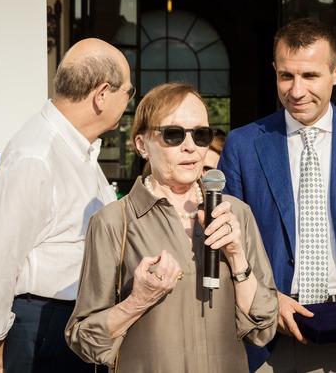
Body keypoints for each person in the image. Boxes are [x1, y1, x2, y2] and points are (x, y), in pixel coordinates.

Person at [218, 18, 336, 372]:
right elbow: (229, 240)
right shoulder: (243, 145)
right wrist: (266, 299)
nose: (296, 90)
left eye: (310, 76)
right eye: (286, 76)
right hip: (267, 334)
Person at [65, 83, 278, 373]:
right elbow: (84, 340)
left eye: (201, 135)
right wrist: (137, 301)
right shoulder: (113, 221)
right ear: (142, 145)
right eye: (173, 135)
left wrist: (237, 255)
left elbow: (264, 327)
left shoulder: (235, 213)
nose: (190, 146)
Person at [0, 38, 134, 373]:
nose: (129, 101)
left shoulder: (76, 149)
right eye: (129, 91)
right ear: (102, 94)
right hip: (44, 328)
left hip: (74, 324)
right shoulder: (37, 155)